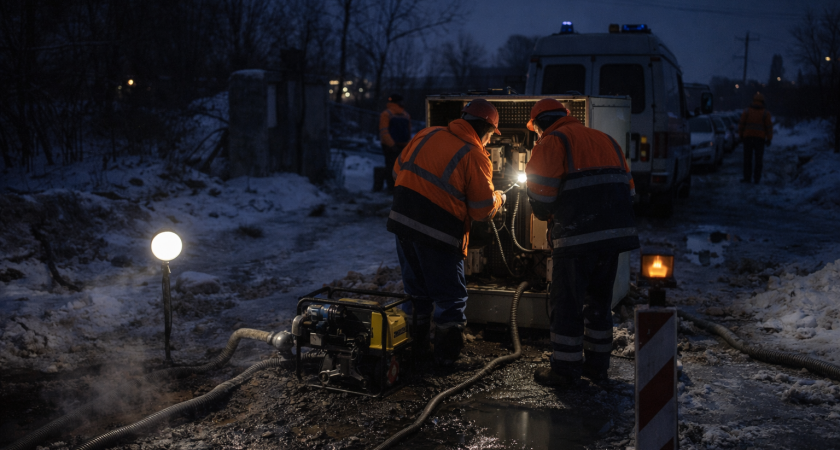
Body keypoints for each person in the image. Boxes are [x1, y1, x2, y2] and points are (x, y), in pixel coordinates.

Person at [524, 98, 639, 385]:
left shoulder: (552, 142)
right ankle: (597, 367)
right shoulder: (606, 139)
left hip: (577, 239)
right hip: (612, 238)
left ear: (538, 126)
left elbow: (540, 200)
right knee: (598, 303)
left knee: (567, 304)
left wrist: (548, 215)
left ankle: (565, 370)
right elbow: (630, 191)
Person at [387, 99, 506, 366]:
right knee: (450, 297)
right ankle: (447, 358)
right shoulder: (474, 154)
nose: (489, 142)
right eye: (490, 136)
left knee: (416, 293)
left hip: (402, 223)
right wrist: (499, 198)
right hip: (438, 233)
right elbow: (481, 211)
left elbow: (397, 172)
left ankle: (415, 352)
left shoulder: (427, 133)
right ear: (485, 129)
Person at [378, 94, 412, 192]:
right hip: (395, 146)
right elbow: (384, 131)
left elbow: (384, 131)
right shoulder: (405, 115)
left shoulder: (387, 114)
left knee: (392, 167)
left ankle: (393, 188)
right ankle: (394, 188)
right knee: (396, 167)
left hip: (392, 146)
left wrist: (391, 144)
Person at [738, 92, 773, 184]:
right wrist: (769, 139)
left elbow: (741, 125)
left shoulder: (746, 111)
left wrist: (741, 135)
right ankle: (757, 178)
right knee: (758, 160)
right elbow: (769, 127)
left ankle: (747, 178)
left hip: (748, 138)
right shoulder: (766, 113)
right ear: (763, 101)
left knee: (747, 159)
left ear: (753, 101)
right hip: (760, 139)